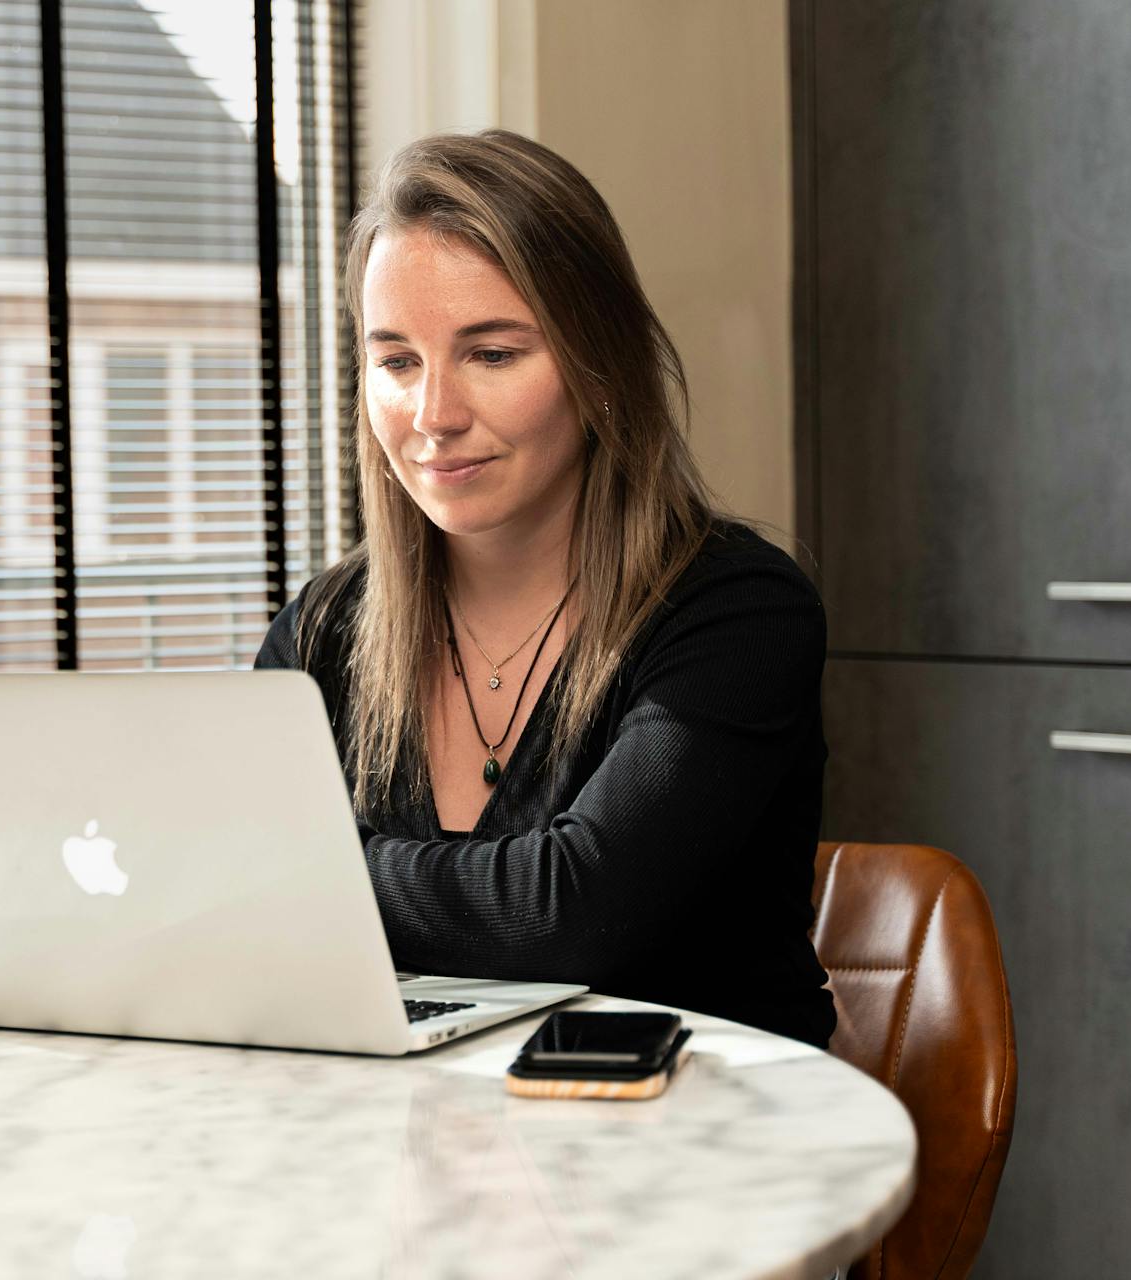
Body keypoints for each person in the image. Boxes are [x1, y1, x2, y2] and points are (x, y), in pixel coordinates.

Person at [255, 130, 836, 1048]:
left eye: (491, 354)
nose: (434, 416)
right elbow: (235, 916)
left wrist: (298, 870)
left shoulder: (738, 613)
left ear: (597, 366)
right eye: (397, 361)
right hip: (413, 1140)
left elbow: (575, 915)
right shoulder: (324, 632)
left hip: (703, 1143)